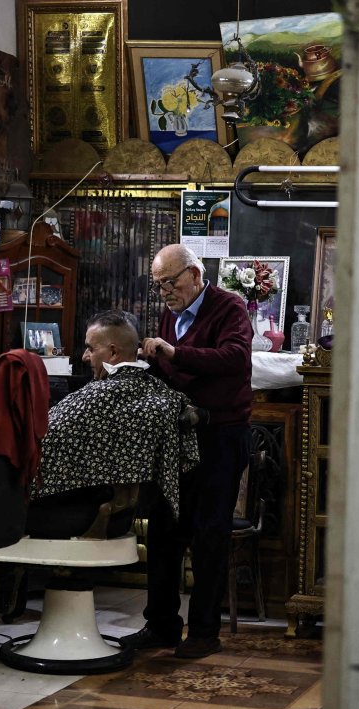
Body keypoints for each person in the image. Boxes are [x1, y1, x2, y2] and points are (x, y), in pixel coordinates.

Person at [125, 244, 253, 659]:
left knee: (208, 533)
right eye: (158, 285)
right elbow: (173, 372)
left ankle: (203, 632)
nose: (164, 292)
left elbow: (234, 359)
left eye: (170, 282)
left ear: (195, 275)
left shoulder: (229, 307)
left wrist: (174, 352)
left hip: (220, 436)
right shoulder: (171, 315)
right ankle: (161, 625)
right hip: (178, 437)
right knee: (164, 530)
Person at [29, 311, 199, 530]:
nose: (85, 357)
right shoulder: (159, 393)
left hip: (82, 512)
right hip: (120, 514)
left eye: (91, 348)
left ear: (113, 352)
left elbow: (39, 443)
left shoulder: (100, 398)